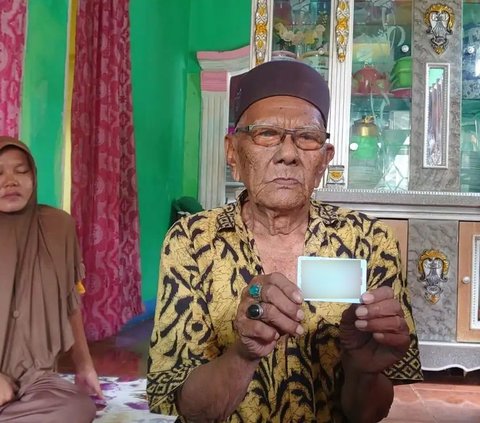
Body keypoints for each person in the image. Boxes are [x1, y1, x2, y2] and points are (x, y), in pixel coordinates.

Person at [147, 60, 423, 422]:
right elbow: (192, 410)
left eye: (307, 138)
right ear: (233, 153)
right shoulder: (193, 242)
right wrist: (243, 355)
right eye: (266, 134)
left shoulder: (370, 241)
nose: (288, 154)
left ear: (324, 161)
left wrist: (363, 370)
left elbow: (369, 413)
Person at [0, 137, 102, 422]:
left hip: (37, 378)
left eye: (21, 171)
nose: (11, 181)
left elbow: (70, 301)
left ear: (33, 176)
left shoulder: (59, 227)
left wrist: (85, 367)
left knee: (78, 409)